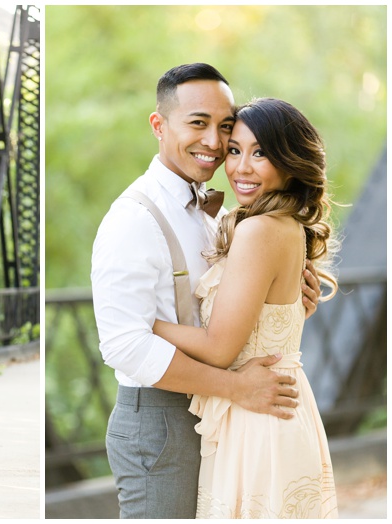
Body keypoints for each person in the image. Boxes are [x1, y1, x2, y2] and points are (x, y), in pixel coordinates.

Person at [90, 63, 322, 519]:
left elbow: (227, 314)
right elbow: (122, 343)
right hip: (162, 420)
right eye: (198, 123)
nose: (215, 143)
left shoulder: (226, 216)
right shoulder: (133, 218)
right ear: (159, 124)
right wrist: (234, 387)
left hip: (224, 411)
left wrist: (283, 310)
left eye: (225, 128)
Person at [152, 97, 339, 518]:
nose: (240, 167)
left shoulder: (258, 230)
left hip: (259, 416)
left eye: (261, 153)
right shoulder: (282, 225)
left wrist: (145, 323)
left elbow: (219, 348)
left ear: (291, 162)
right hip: (272, 405)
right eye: (234, 150)